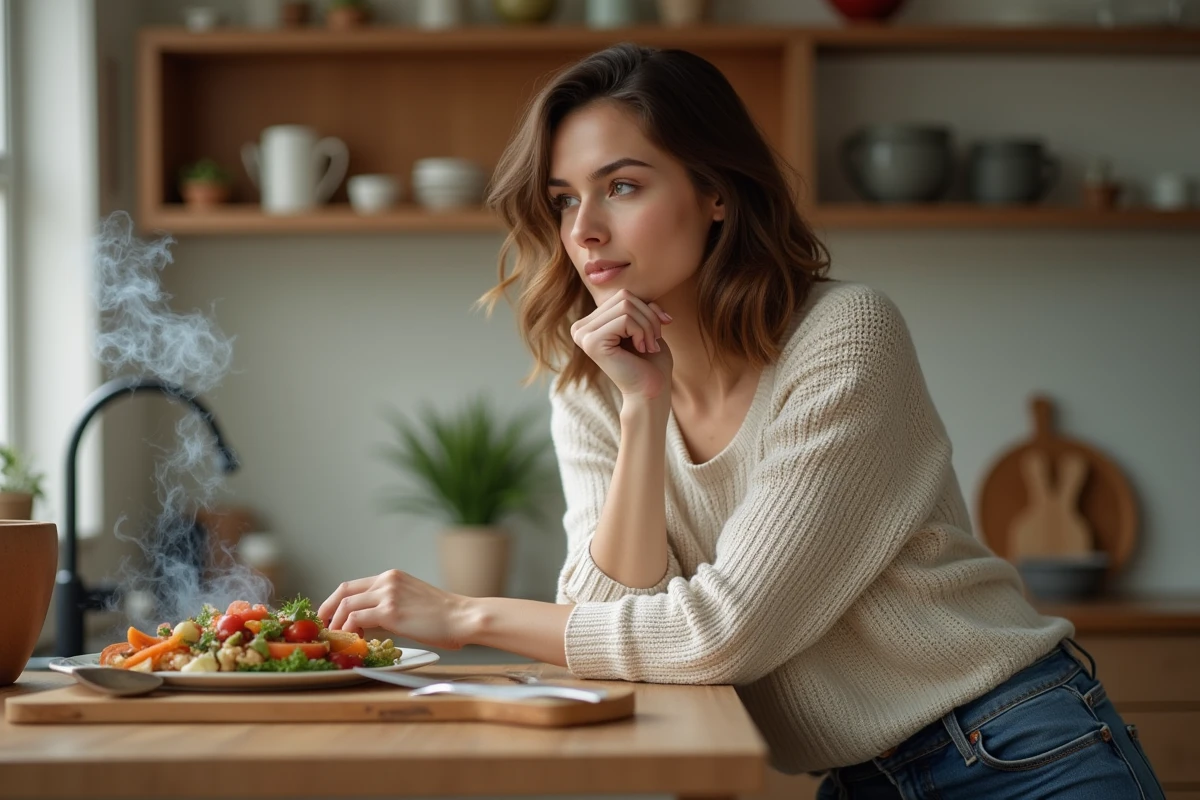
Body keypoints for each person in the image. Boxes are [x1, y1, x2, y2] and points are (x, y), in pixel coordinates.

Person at [319, 43, 1165, 798]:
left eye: (622, 186)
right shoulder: (593, 386)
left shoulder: (844, 337)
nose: (585, 231)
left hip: (1018, 750)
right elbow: (610, 613)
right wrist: (643, 409)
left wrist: (469, 618)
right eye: (563, 198)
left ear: (716, 193)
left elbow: (721, 637)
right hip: (860, 779)